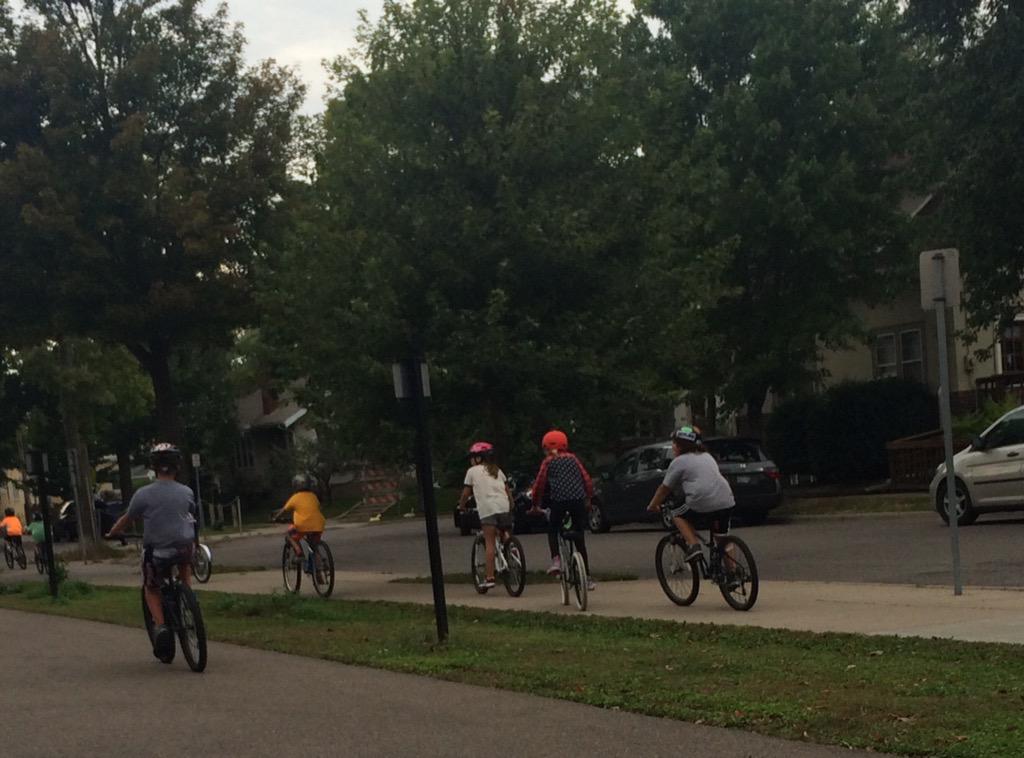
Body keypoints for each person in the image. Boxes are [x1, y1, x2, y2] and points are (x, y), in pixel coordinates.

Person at [107, 443, 197, 661]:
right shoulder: (187, 492)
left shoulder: (143, 494)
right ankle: (189, 598)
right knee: (184, 563)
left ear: (154, 468)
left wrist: (113, 533)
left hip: (157, 551)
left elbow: (127, 519)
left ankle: (162, 626)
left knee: (151, 587)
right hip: (184, 547)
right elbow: (190, 514)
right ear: (177, 467)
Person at [646, 426, 735, 562]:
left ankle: (694, 546)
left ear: (681, 446)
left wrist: (653, 505)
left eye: (675, 443)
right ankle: (732, 574)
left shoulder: (679, 462)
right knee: (723, 540)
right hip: (726, 500)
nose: (673, 446)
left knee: (676, 512)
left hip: (702, 501)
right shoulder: (707, 456)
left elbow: (664, 488)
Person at [530, 430, 596, 591]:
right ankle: (586, 577)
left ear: (546, 447)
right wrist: (588, 497)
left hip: (559, 502)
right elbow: (586, 479)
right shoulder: (573, 459)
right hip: (578, 501)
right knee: (580, 538)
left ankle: (556, 560)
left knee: (553, 529)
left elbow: (539, 485)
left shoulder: (548, 461)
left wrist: (535, 504)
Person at [458, 442, 515, 589]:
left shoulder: (472, 471)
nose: (471, 460)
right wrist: (511, 504)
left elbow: (466, 493)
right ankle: (512, 549)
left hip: (487, 509)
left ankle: (490, 577)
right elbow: (507, 490)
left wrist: (461, 506)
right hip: (503, 506)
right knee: (504, 531)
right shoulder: (497, 470)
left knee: (489, 543)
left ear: (478, 458)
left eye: (472, 457)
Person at [272, 473, 325, 574]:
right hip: (318, 525)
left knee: (288, 535)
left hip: (302, 526)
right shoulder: (313, 496)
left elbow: (284, 510)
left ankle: (299, 552)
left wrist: (275, 517)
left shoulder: (295, 497)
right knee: (314, 545)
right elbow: (318, 507)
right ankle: (320, 565)